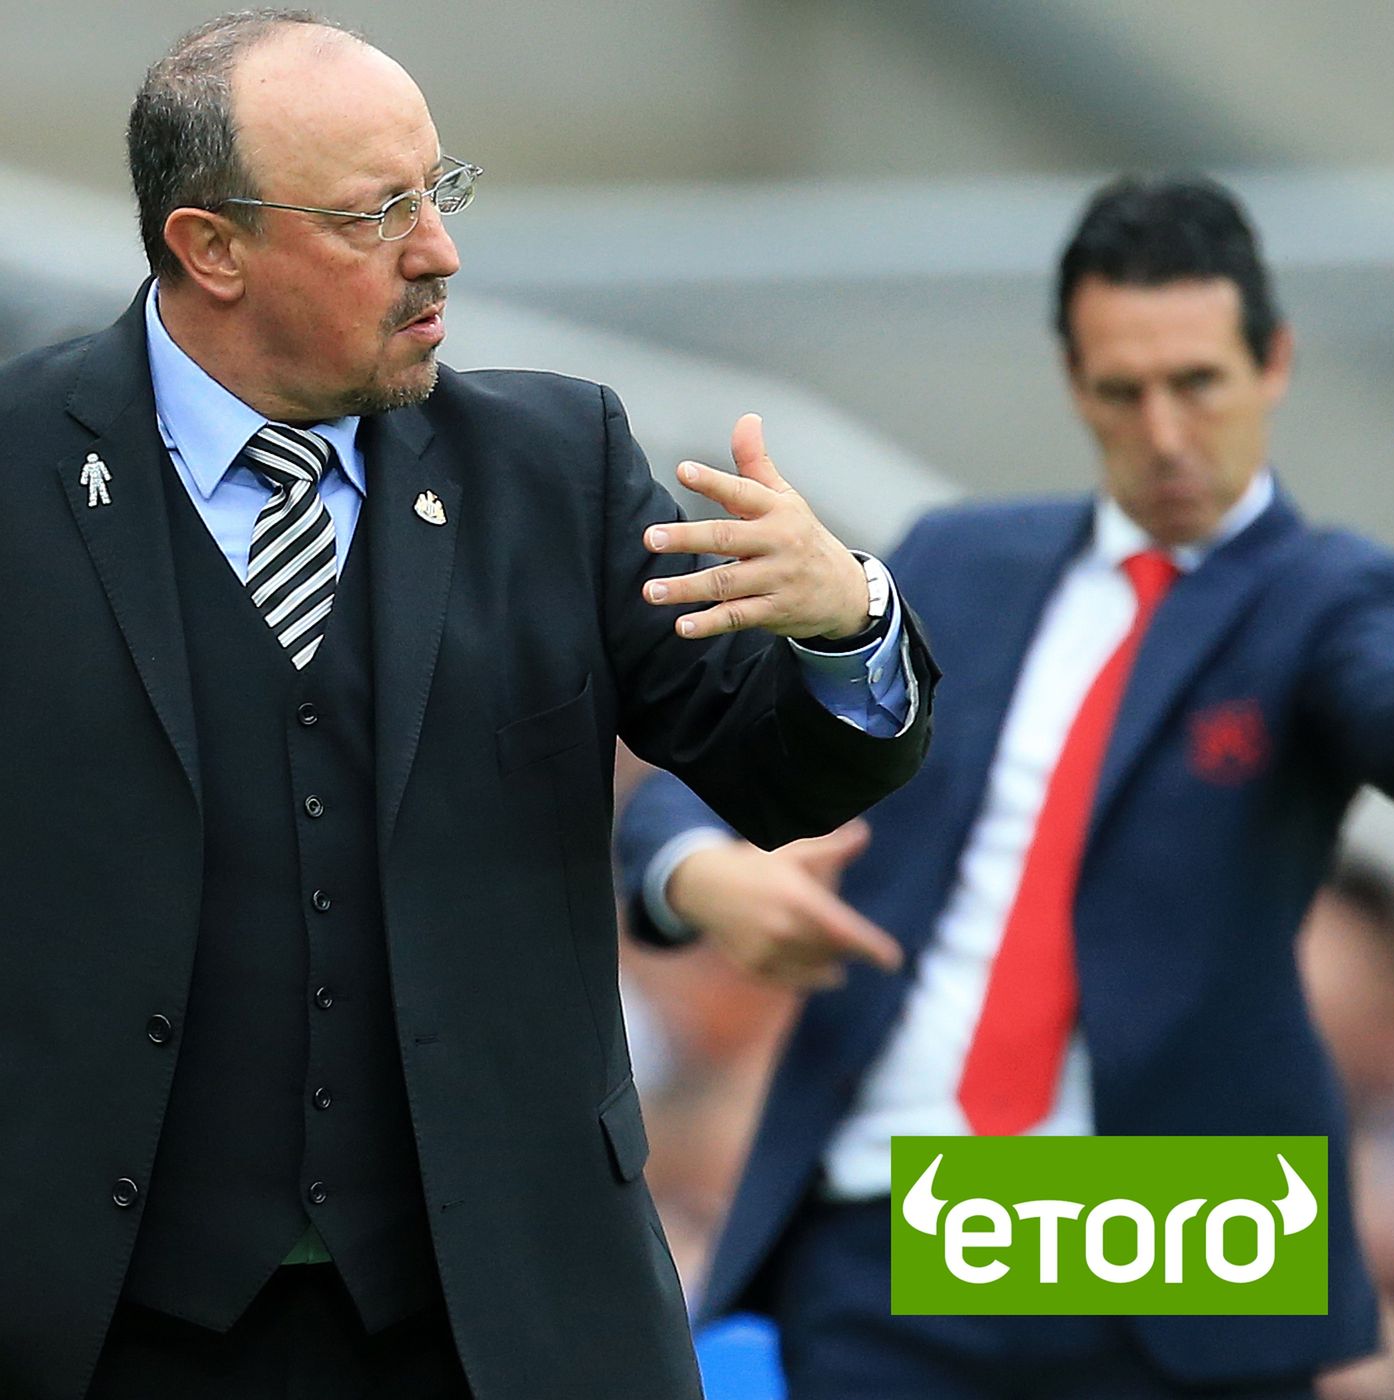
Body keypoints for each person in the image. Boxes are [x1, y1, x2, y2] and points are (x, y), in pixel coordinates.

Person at [0, 12, 937, 1400]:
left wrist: (840, 619)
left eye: (437, 189)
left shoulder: (557, 463)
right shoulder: (16, 468)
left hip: (506, 1323)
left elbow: (776, 773)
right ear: (210, 248)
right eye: (373, 213)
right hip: (98, 1321)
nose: (436, 249)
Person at [618, 175, 1394, 1399]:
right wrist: (706, 874)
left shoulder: (1323, 596)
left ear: (1273, 363)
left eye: (1195, 382)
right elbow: (713, 767)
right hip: (905, 1202)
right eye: (1121, 390)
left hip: (1179, 1223)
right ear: (1072, 380)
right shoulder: (957, 561)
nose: (1163, 431)